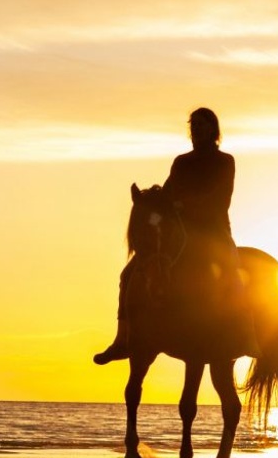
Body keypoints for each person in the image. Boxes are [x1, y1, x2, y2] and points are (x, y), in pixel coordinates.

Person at [94, 107, 258, 365]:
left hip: (213, 231)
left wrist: (186, 206)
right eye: (193, 127)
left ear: (212, 130)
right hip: (179, 232)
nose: (197, 132)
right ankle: (122, 338)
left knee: (232, 267)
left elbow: (221, 199)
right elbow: (168, 191)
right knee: (128, 274)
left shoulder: (225, 161)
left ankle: (245, 331)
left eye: (202, 127)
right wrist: (151, 198)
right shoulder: (181, 162)